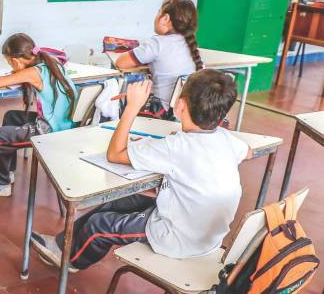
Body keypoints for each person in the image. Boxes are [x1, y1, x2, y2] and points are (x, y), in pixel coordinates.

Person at [32, 70, 250, 271]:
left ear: (181, 105)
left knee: (99, 226)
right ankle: (62, 243)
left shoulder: (175, 148)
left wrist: (132, 108)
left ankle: (71, 261)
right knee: (120, 202)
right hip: (205, 232)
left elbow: (115, 154)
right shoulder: (226, 139)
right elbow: (247, 151)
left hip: (178, 238)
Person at [0, 33, 78, 197]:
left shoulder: (32, 72)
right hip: (64, 123)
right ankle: (6, 171)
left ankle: (0, 185)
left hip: (50, 131)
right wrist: (16, 74)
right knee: (11, 116)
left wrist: (13, 75)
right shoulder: (51, 63)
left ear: (15, 60)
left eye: (10, 62)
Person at [114, 0, 203, 119]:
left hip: (161, 113)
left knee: (126, 100)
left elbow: (120, 62)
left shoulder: (157, 43)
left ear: (165, 18)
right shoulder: (193, 48)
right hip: (185, 114)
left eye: (159, 12)